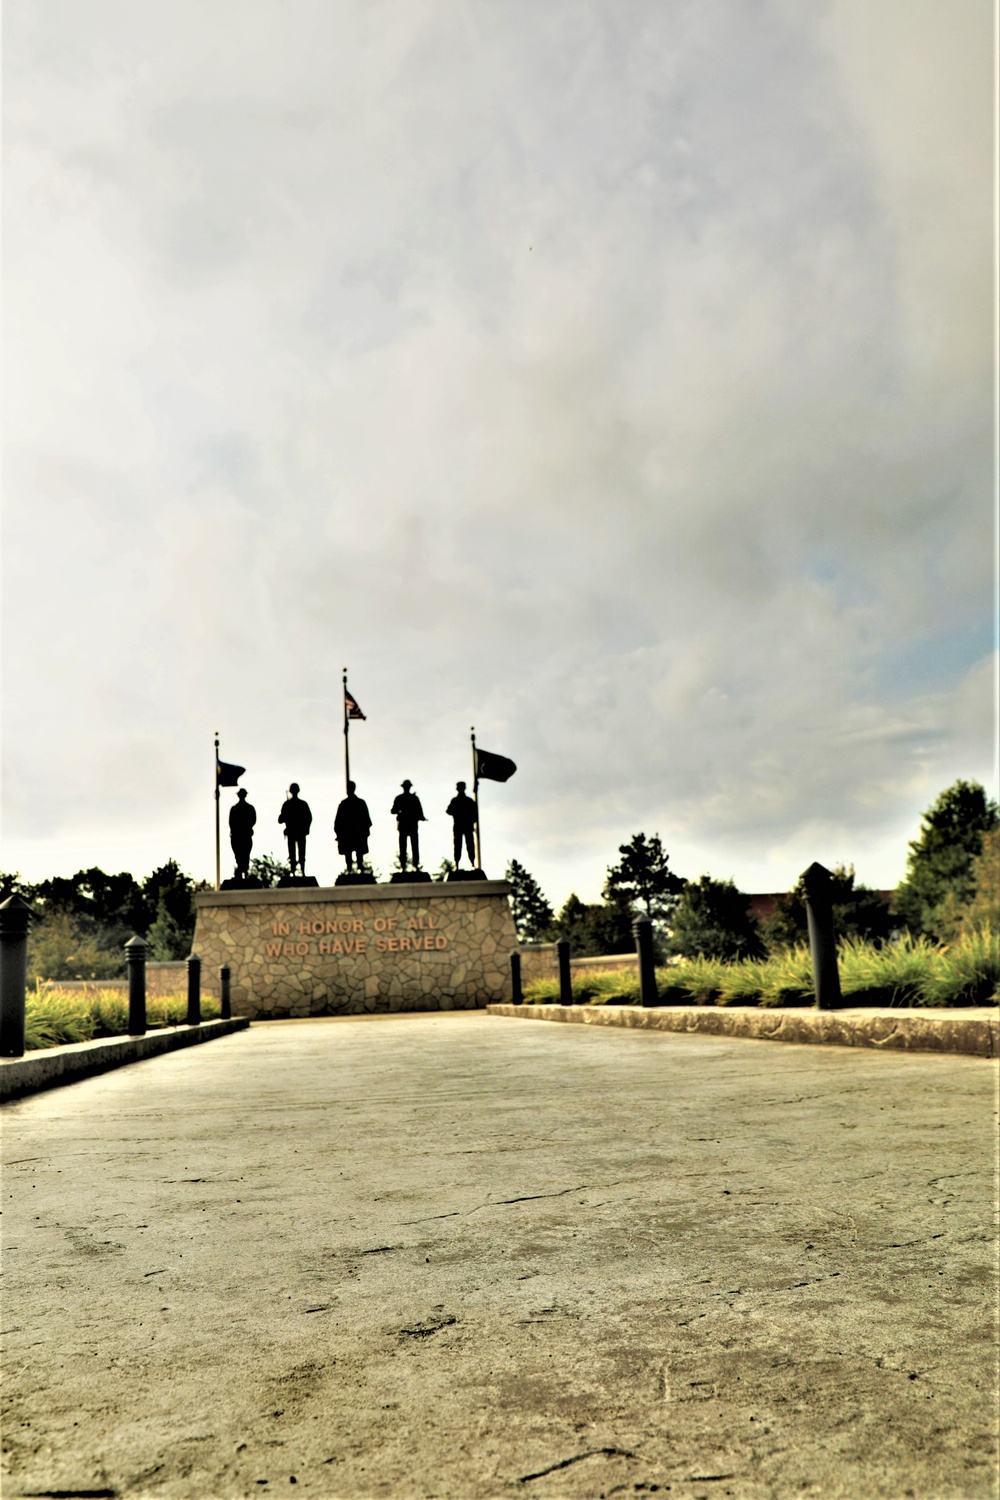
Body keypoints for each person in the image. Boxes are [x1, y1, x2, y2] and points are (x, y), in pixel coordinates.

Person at [334, 780, 372, 874]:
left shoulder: (360, 803)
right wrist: (338, 831)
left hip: (357, 832)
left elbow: (366, 819)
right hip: (347, 833)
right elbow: (338, 820)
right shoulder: (344, 804)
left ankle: (359, 866)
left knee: (359, 851)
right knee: (348, 852)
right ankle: (349, 868)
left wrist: (365, 831)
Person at [278, 783, 312, 876]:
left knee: (294, 853)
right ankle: (301, 872)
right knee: (299, 853)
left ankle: (295, 871)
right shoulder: (302, 804)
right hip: (297, 832)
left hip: (294, 832)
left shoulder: (288, 804)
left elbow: (280, 819)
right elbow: (280, 820)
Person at [391, 779, 425, 870]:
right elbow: (393, 810)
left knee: (413, 846)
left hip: (412, 825)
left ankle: (415, 865)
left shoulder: (413, 798)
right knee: (403, 847)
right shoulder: (401, 798)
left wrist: (421, 817)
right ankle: (404, 866)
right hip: (404, 825)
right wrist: (400, 811)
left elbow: (420, 812)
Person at [446, 780, 477, 868]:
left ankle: (471, 862)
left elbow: (475, 814)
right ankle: (458, 863)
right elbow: (449, 811)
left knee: (467, 845)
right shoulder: (460, 800)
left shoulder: (463, 800)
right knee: (460, 845)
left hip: (464, 826)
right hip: (461, 825)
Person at [228, 787, 256, 880]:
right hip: (237, 836)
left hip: (244, 835)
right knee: (239, 855)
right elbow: (231, 823)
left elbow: (253, 820)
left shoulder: (248, 808)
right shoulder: (235, 809)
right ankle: (241, 871)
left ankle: (244, 872)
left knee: (245, 855)